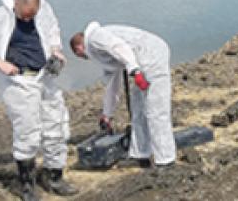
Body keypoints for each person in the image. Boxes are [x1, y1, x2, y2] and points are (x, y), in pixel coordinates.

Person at [0, 0, 77, 201]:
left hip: (46, 76)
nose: (28, 19)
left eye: (32, 16)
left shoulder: (44, 9)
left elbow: (52, 29)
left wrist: (56, 50)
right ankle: (27, 186)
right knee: (27, 133)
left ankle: (54, 177)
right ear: (16, 5)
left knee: (56, 126)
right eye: (24, 16)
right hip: (21, 81)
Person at [70, 22, 176, 168]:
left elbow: (119, 47)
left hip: (152, 55)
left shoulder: (95, 37)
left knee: (156, 110)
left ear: (79, 48)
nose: (84, 58)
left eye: (80, 56)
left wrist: (134, 71)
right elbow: (112, 85)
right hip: (140, 62)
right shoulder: (102, 54)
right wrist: (107, 114)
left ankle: (166, 160)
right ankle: (140, 154)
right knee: (138, 109)